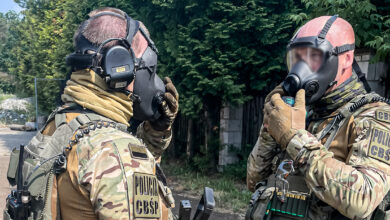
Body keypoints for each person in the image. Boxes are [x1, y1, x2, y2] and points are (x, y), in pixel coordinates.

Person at [4, 7, 178, 220]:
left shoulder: (58, 126)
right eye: (145, 68)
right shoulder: (113, 152)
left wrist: (157, 131)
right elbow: (116, 165)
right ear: (119, 65)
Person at [246, 15, 390, 220]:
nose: (301, 68)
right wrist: (271, 125)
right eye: (297, 57)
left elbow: (363, 199)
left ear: (346, 59)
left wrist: (294, 138)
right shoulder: (304, 112)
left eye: (313, 56)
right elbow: (254, 181)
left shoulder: (374, 116)